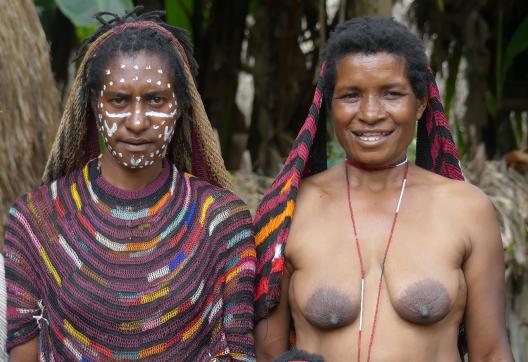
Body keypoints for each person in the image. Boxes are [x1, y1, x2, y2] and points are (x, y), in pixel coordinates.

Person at [254, 17, 513, 361]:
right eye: (351, 95)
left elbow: (492, 352)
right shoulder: (289, 210)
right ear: (329, 104)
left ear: (420, 103)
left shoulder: (466, 210)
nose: (371, 113)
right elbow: (265, 354)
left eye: (392, 94)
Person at [3, 9, 255, 361]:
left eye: (155, 99)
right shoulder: (35, 222)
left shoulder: (222, 222)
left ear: (180, 107)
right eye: (119, 100)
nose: (137, 122)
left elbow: (239, 351)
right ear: (94, 105)